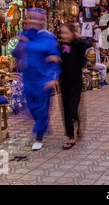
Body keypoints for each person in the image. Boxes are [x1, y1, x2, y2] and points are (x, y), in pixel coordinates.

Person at [12, 8, 61, 151]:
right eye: (30, 18)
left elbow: (55, 58)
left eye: (35, 18)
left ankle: (39, 136)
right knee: (31, 107)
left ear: (41, 21)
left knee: (42, 108)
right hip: (28, 78)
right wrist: (21, 42)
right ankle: (42, 125)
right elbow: (15, 53)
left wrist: (53, 77)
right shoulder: (25, 35)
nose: (32, 21)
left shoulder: (48, 37)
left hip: (43, 79)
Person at [59, 23, 92, 150]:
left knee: (74, 107)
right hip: (64, 82)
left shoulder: (79, 46)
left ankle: (78, 123)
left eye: (66, 33)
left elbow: (89, 43)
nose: (63, 35)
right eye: (62, 33)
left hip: (76, 82)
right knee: (66, 109)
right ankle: (70, 137)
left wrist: (77, 37)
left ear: (73, 33)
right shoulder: (61, 46)